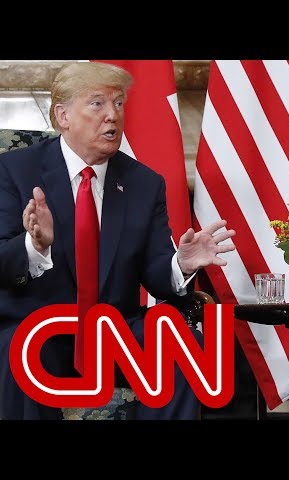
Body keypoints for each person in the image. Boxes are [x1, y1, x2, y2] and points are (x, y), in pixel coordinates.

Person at [0, 61, 236, 420]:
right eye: (97, 103)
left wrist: (180, 264)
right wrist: (35, 246)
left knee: (184, 345)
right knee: (16, 355)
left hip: (113, 333)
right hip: (38, 330)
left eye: (119, 103)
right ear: (63, 116)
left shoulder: (144, 183)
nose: (112, 115)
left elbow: (156, 273)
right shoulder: (14, 171)